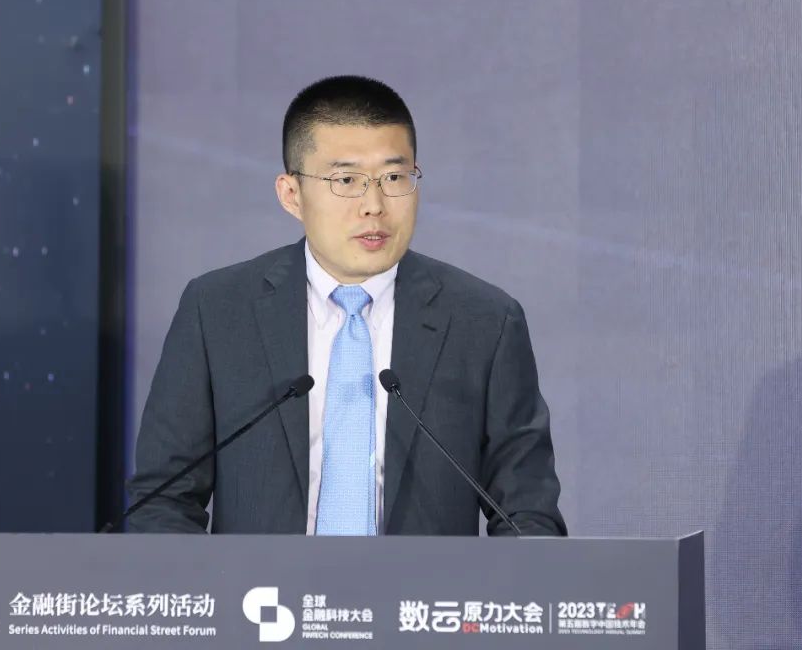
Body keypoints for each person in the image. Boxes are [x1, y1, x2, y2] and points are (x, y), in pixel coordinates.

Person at [127, 75, 565, 536]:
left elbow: (528, 515)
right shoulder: (217, 311)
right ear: (291, 195)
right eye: (347, 180)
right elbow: (162, 502)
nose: (374, 205)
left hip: (425, 585)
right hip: (259, 585)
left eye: (394, 177)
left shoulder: (485, 322)